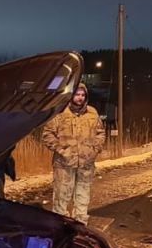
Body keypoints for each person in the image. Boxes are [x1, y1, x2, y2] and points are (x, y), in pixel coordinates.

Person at [40, 83, 104, 223]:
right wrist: (62, 150)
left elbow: (100, 133)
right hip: (64, 164)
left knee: (82, 198)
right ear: (71, 95)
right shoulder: (60, 112)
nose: (80, 98)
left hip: (86, 164)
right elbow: (47, 134)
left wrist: (94, 150)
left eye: (82, 95)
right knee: (61, 198)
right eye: (77, 94)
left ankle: (80, 227)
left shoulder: (92, 113)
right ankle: (59, 227)